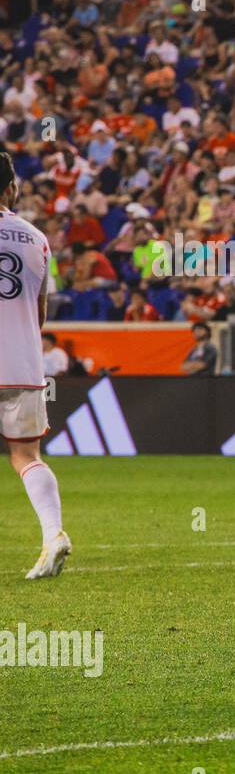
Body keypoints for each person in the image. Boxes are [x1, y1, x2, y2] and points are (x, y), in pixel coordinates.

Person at [0, 151, 71, 578]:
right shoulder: (37, 238)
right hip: (23, 366)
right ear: (11, 188)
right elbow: (40, 313)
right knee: (26, 456)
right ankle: (53, 534)